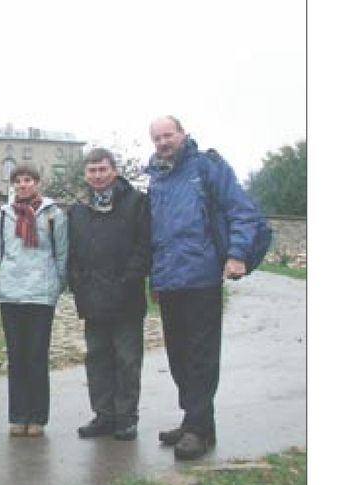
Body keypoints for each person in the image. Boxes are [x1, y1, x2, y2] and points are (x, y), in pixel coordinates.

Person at [146, 115, 268, 461]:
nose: (164, 142)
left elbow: (242, 211)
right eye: (157, 138)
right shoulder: (157, 177)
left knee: (200, 356)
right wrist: (155, 278)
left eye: (168, 135)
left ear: (183, 134)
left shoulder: (208, 167)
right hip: (169, 281)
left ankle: (197, 430)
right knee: (179, 357)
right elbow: (156, 234)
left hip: (201, 277)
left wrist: (237, 254)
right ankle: (196, 421)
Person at [67, 149, 149, 441]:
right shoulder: (77, 210)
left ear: (114, 171)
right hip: (92, 297)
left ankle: (126, 417)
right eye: (92, 170)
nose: (98, 175)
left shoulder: (137, 203)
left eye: (103, 169)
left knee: (127, 359)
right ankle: (104, 415)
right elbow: (72, 252)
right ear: (85, 175)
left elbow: (144, 247)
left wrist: (128, 279)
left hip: (126, 296)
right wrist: (77, 281)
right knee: (97, 358)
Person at [0, 164, 67, 438]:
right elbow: (0, 252)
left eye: (28, 180)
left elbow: (61, 254)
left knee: (36, 356)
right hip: (11, 293)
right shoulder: (4, 215)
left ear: (37, 183)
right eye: (18, 181)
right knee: (16, 357)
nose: (23, 185)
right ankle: (18, 415)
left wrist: (55, 286)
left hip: (40, 294)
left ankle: (37, 416)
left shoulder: (53, 214)